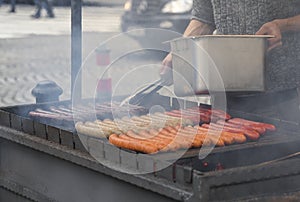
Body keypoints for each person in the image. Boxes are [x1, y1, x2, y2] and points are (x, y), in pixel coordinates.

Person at [161, 0, 300, 122]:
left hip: (280, 96)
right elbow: (203, 18)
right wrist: (179, 52)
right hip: (224, 92)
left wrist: (282, 25)